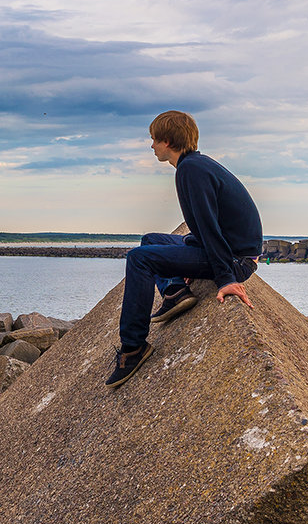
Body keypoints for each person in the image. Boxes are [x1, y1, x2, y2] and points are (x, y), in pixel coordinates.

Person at [106, 110, 263, 388]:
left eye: (154, 140)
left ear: (167, 141)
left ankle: (133, 348)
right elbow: (206, 229)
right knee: (151, 240)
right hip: (229, 251)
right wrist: (188, 256)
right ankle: (175, 291)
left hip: (235, 260)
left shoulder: (191, 170)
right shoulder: (195, 165)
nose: (151, 146)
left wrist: (226, 278)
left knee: (138, 259)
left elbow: (210, 228)